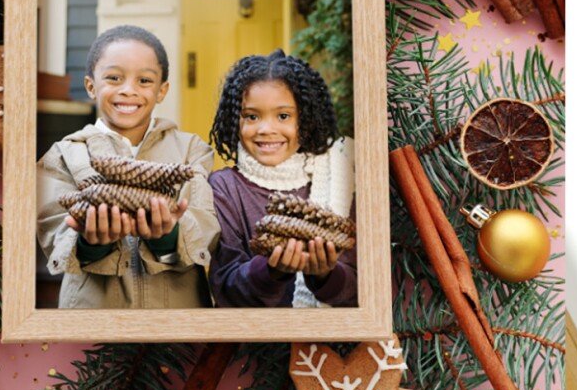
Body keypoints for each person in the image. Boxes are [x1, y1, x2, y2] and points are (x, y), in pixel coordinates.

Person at [37, 25, 220, 308]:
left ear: (162, 91)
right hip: (93, 321)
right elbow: (55, 236)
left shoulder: (190, 151)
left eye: (145, 81)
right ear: (90, 86)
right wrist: (90, 244)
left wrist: (168, 239)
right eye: (114, 77)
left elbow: (205, 229)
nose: (128, 90)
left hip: (177, 322)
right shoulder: (63, 155)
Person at [207, 50, 357, 308]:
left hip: (327, 345)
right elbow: (225, 287)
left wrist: (324, 275)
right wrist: (271, 271)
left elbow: (362, 289)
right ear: (235, 121)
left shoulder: (338, 177)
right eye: (252, 116)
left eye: (284, 116)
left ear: (306, 120)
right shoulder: (224, 188)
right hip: (253, 344)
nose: (267, 129)